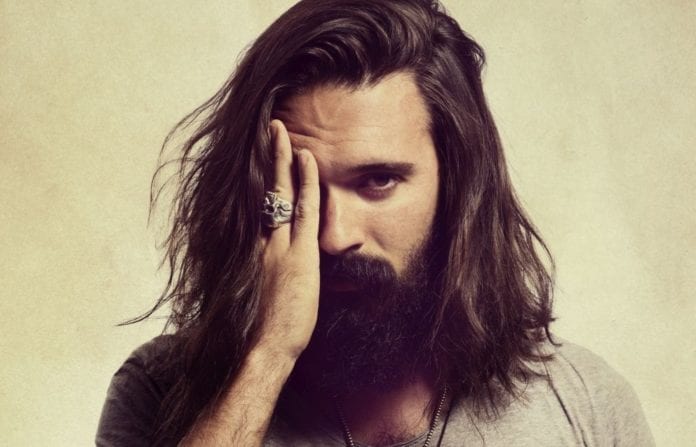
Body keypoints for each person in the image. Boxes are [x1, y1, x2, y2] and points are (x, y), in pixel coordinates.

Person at [96, 1, 654, 446]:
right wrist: (267, 358)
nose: (334, 235)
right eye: (299, 187)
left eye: (378, 181)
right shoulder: (159, 391)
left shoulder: (582, 402)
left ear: (457, 188)